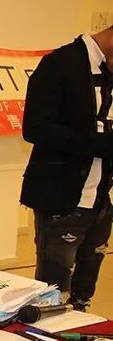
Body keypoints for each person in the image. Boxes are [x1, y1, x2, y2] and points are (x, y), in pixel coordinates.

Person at [20, 25, 113, 310]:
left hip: (101, 198)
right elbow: (35, 128)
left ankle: (79, 327)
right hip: (63, 197)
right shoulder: (60, 64)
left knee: (84, 291)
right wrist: (101, 144)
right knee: (53, 293)